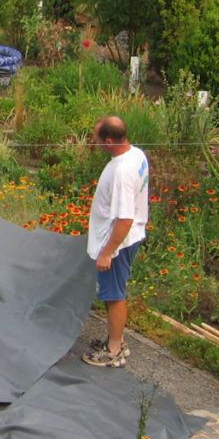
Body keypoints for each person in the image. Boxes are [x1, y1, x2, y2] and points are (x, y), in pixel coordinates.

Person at [82, 115, 150, 368]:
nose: (94, 142)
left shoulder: (122, 171)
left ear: (109, 141)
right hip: (127, 238)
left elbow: (125, 219)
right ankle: (116, 339)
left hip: (119, 242)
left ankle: (114, 350)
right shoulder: (136, 154)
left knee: (114, 295)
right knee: (115, 292)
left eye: (97, 139)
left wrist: (107, 252)